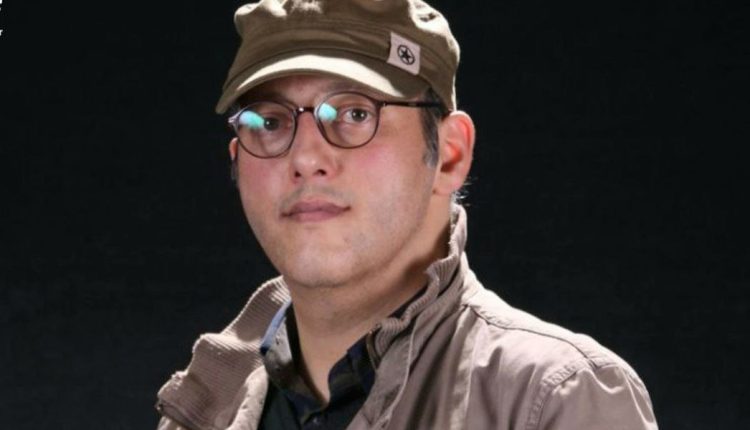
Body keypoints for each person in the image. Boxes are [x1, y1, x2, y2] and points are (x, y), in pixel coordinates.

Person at [155, 0, 658, 428]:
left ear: (450, 156)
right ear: (237, 162)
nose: (305, 157)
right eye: (270, 122)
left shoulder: (551, 401)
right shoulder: (203, 407)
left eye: (355, 113)